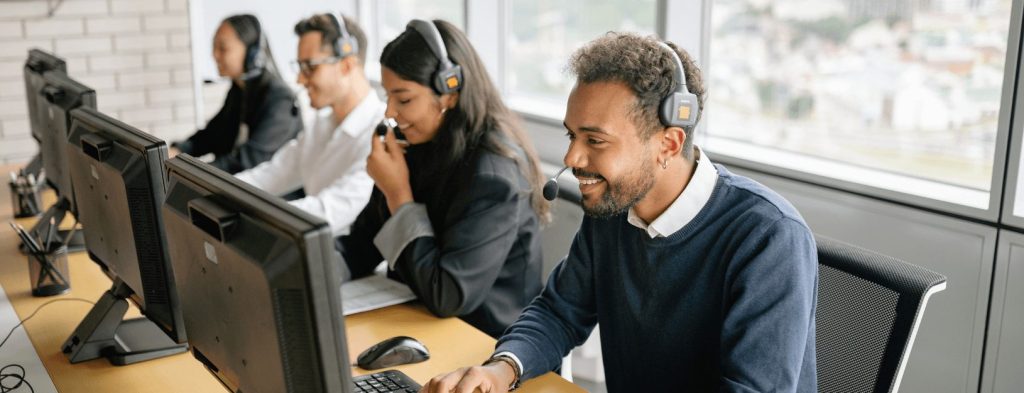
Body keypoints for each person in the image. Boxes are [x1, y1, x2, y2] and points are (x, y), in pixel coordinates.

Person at [422, 33, 818, 392]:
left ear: (668, 143)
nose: (571, 157)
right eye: (572, 135)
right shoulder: (614, 211)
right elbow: (559, 311)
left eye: (595, 140)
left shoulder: (769, 237)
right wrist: (501, 369)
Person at [335, 20, 549, 339]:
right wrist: (308, 272)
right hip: (419, 325)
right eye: (388, 96)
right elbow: (362, 246)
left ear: (450, 91)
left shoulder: (493, 175)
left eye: (404, 99)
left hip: (483, 345)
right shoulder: (418, 145)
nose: (389, 112)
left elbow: (447, 294)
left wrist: (398, 195)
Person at [234, 13, 382, 236]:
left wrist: (249, 214)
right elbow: (271, 174)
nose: (299, 80)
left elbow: (326, 211)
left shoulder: (380, 133)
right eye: (300, 67)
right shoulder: (321, 127)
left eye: (310, 67)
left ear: (347, 65)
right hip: (316, 252)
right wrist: (218, 191)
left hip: (355, 265)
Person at [171, 14, 302, 174]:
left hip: (276, 195)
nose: (215, 55)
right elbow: (212, 135)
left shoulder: (280, 100)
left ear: (252, 54)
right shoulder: (240, 90)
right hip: (243, 188)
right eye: (214, 47)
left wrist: (193, 173)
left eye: (223, 48)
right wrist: (177, 150)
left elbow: (246, 162)